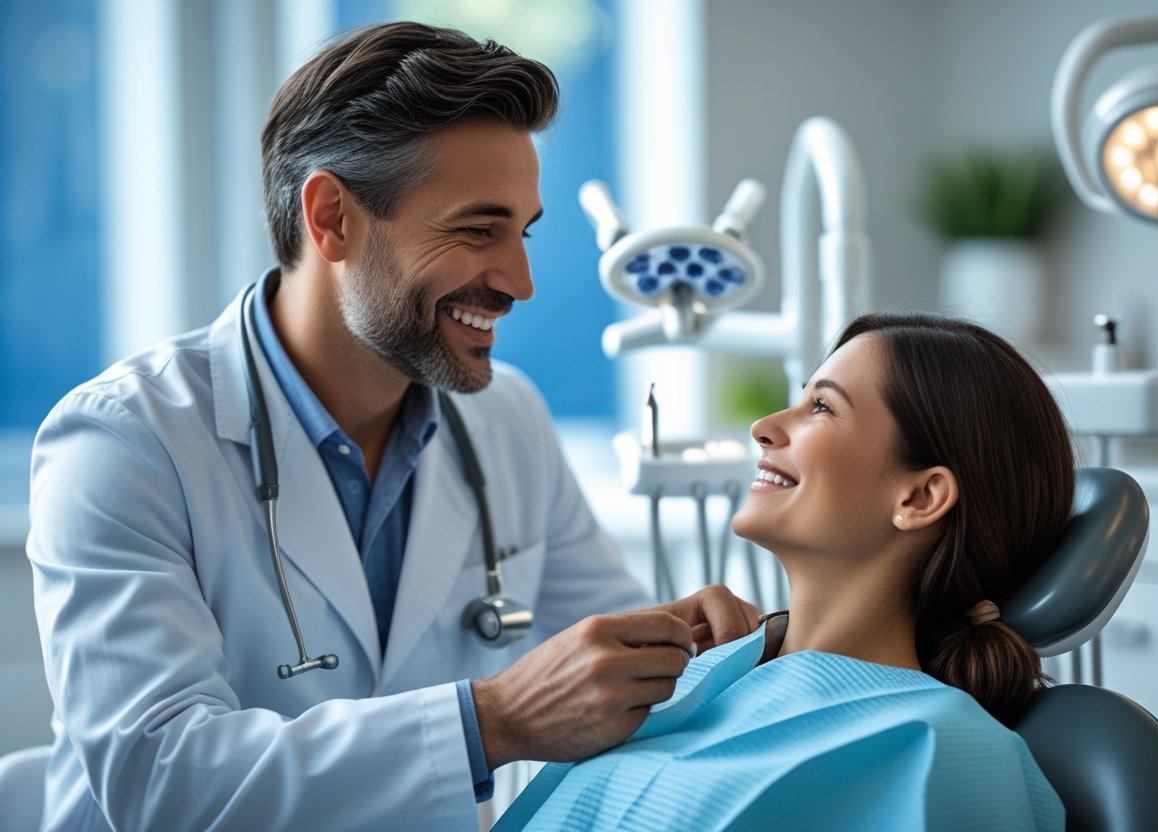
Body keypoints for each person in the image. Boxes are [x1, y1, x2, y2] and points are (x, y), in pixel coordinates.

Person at [25, 21, 756, 831]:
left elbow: (614, 671)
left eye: (522, 232)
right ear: (332, 217)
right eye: (477, 230)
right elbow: (160, 783)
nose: (520, 281)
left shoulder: (506, 419)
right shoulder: (125, 444)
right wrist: (494, 720)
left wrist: (689, 647)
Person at [495, 312, 1075, 831]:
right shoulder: (703, 674)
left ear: (920, 497)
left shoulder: (946, 751)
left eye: (822, 406)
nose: (763, 426)